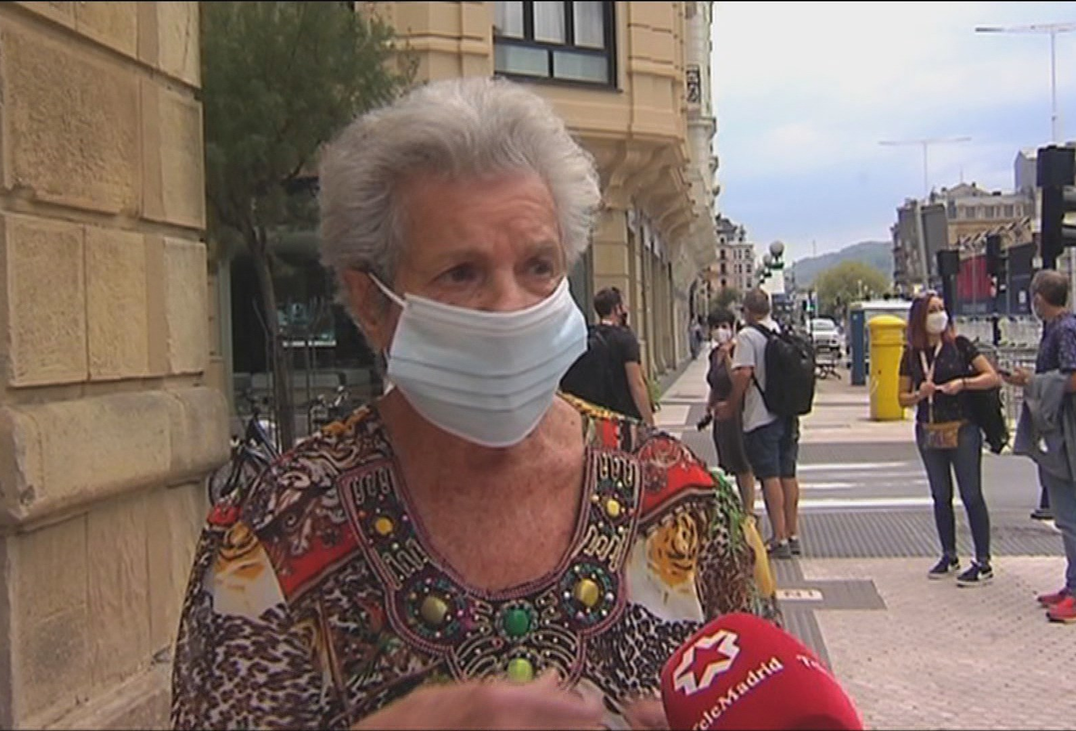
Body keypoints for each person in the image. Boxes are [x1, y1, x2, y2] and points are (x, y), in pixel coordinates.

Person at [170, 77, 777, 729]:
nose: (510, 306)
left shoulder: (683, 504)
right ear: (373, 303)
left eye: (539, 266)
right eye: (461, 272)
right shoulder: (277, 533)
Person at [1005, 270, 1076, 624]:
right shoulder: (1059, 329)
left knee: (1071, 513)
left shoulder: (1065, 331)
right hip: (1063, 427)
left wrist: (1034, 381)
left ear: (1040, 298)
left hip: (1068, 431)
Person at [897, 292, 1000, 586]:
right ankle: (948, 554)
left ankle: (983, 561)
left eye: (942, 309)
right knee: (940, 495)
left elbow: (991, 377)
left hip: (963, 428)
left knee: (971, 494)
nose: (939, 314)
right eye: (932, 310)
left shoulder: (960, 346)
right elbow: (901, 397)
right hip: (929, 428)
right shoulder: (911, 354)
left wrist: (963, 383)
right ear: (920, 317)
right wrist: (919, 394)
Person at [718, 289, 801, 559]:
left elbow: (743, 373)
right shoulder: (779, 331)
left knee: (769, 476)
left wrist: (730, 405)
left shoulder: (748, 337)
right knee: (788, 474)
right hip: (788, 414)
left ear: (747, 311)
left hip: (761, 416)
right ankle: (792, 532)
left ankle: (778, 539)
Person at [704, 308, 756, 514]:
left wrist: (727, 359)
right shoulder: (713, 354)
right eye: (715, 327)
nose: (720, 331)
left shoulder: (736, 350)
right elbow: (714, 384)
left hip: (736, 411)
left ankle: (749, 510)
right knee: (730, 462)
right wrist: (709, 407)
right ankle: (741, 507)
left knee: (743, 462)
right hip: (720, 415)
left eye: (724, 326)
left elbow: (738, 381)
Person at [590, 286, 656, 426]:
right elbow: (636, 384)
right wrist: (649, 422)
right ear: (617, 309)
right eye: (624, 305)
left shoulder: (589, 336)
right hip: (624, 419)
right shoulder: (625, 339)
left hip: (596, 416)